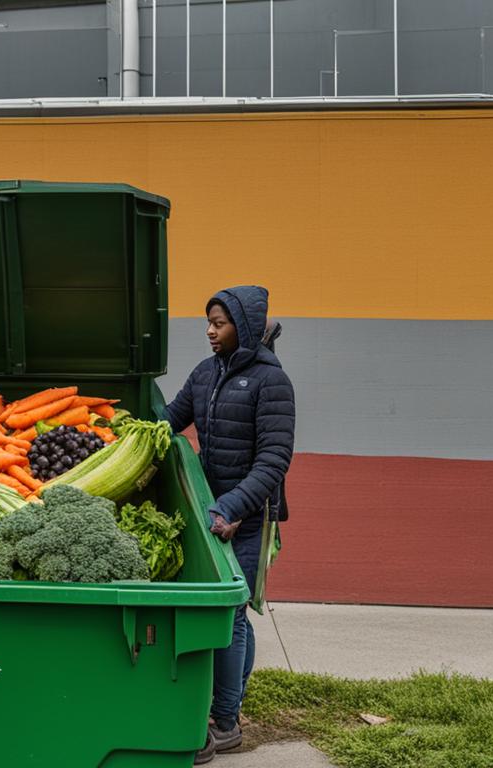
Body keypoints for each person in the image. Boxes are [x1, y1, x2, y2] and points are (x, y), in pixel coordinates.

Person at [165, 285, 295, 765]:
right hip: (212, 511)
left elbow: (275, 459)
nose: (210, 331)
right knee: (236, 612)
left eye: (219, 323)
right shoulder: (205, 374)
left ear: (243, 325)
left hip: (247, 515)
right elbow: (170, 420)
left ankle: (224, 724)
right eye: (209, 322)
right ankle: (232, 701)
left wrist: (234, 506)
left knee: (232, 615)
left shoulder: (271, 382)